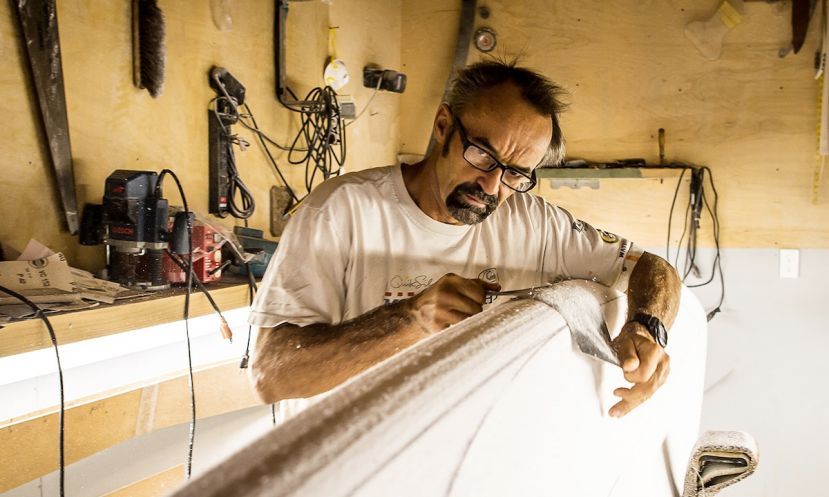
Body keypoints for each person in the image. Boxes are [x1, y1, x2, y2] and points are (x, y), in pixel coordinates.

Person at [248, 60, 680, 418]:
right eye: (482, 154)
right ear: (442, 125)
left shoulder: (532, 221)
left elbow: (652, 267)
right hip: (349, 461)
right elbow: (271, 375)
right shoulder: (340, 211)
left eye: (515, 172)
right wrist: (408, 319)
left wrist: (646, 326)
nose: (491, 186)